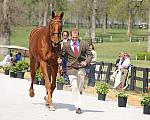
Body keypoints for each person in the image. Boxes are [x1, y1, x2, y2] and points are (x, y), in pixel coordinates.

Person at [61, 28, 92, 114]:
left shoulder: (84, 44)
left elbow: (90, 54)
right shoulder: (66, 45)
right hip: (71, 68)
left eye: (76, 37)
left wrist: (86, 61)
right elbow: (62, 55)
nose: (74, 39)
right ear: (71, 36)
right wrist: (59, 58)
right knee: (74, 86)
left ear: (78, 36)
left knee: (79, 87)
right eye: (73, 37)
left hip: (81, 68)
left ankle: (78, 98)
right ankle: (78, 106)